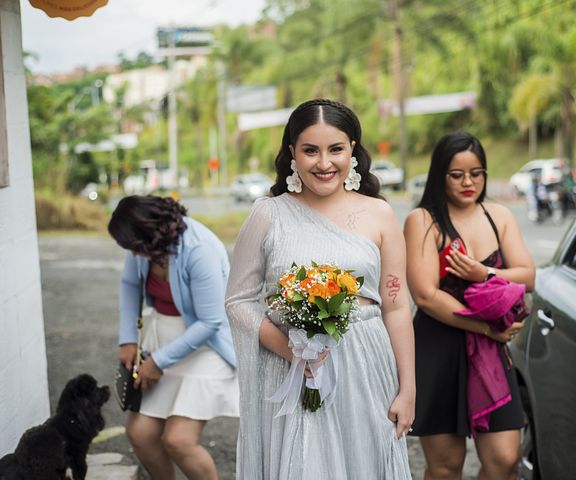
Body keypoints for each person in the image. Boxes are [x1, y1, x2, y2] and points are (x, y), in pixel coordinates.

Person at [225, 98, 415, 479]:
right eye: (311, 150)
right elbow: (238, 301)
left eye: (336, 149)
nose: (324, 163)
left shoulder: (379, 214)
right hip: (291, 371)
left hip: (367, 366)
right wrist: (295, 351)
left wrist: (408, 387)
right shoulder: (268, 214)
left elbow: (395, 306)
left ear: (354, 152)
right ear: (292, 152)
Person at [404, 131, 535, 480]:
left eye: (476, 173)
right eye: (457, 174)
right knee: (446, 466)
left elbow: (528, 276)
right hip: (438, 349)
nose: (468, 182)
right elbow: (426, 295)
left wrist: (484, 272)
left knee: (505, 459)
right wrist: (485, 327)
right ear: (439, 175)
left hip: (491, 352)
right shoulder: (423, 220)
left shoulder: (499, 215)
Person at [109, 195, 239, 480]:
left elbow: (210, 321)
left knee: (179, 440)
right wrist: (128, 340)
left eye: (132, 247)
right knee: (140, 433)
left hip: (207, 347)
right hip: (163, 340)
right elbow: (130, 284)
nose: (132, 254)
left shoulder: (199, 248)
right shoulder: (145, 246)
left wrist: (157, 362)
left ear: (148, 235)